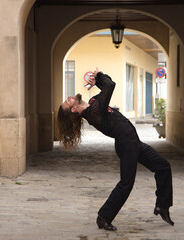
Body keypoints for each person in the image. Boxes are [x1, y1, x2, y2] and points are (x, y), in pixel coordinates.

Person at [57, 69, 174, 231]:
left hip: (133, 143)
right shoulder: (94, 112)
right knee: (126, 183)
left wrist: (97, 81)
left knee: (163, 166)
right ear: (73, 110)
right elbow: (110, 85)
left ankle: (162, 205)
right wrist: (99, 76)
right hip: (127, 145)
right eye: (67, 102)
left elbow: (105, 89)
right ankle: (104, 217)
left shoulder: (93, 103)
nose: (69, 98)